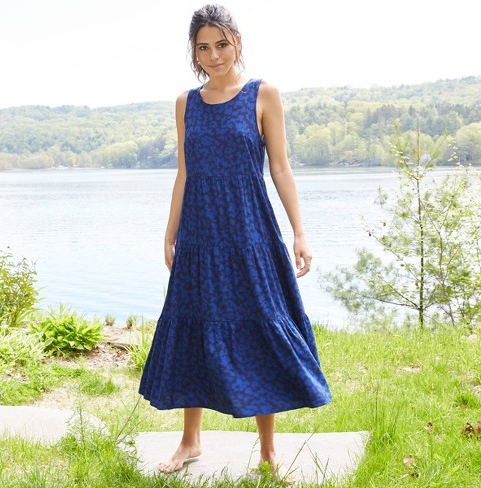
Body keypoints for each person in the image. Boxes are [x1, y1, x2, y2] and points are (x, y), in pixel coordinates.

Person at [138, 3, 332, 477]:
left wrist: (299, 233)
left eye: (221, 44)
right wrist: (170, 233)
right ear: (194, 53)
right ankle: (190, 441)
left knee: (259, 325)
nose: (213, 55)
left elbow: (280, 168)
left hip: (250, 233)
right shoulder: (186, 103)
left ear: (237, 42)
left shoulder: (262, 94)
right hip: (200, 234)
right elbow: (184, 172)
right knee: (195, 325)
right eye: (203, 48)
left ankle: (268, 450)